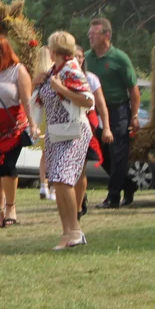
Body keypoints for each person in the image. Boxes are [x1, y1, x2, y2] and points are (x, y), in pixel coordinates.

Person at [35, 32, 95, 249]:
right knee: (58, 181)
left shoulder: (70, 70)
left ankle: (75, 231)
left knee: (63, 177)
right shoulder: (54, 71)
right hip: (55, 132)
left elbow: (88, 101)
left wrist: (60, 89)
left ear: (53, 50)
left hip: (73, 132)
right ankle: (67, 231)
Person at [0, 36, 37, 228]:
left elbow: (27, 101)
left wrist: (33, 124)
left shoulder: (17, 71)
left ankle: (11, 207)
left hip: (13, 128)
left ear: (0, 52)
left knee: (8, 168)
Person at [85, 18, 140, 208]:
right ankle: (128, 185)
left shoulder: (120, 58)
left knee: (118, 154)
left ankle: (113, 197)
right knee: (102, 155)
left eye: (94, 33)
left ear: (106, 36)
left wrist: (134, 116)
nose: (90, 36)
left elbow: (133, 89)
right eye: (89, 33)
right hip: (95, 111)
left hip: (118, 110)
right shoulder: (86, 58)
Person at [74, 49, 111, 219]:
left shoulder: (90, 78)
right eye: (74, 56)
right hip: (66, 127)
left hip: (85, 127)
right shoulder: (59, 77)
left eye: (80, 56)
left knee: (79, 168)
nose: (78, 59)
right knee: (71, 169)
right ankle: (77, 199)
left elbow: (101, 104)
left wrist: (107, 127)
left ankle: (77, 207)